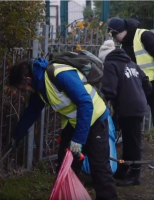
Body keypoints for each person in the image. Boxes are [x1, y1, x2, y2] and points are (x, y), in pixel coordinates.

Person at [8, 58, 118, 200]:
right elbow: (32, 112)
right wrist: (18, 135)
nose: (26, 92)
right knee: (66, 167)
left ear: (28, 80)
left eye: (23, 89)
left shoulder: (60, 74)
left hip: (96, 121)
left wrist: (78, 140)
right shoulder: (40, 87)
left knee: (100, 169)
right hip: (74, 123)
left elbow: (85, 103)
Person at [107, 17, 154, 170]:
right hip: (140, 88)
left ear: (121, 32)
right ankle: (133, 162)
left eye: (114, 35)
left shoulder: (144, 36)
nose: (115, 39)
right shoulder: (124, 44)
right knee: (134, 125)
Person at [99, 40, 152, 186]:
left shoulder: (110, 64)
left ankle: (135, 174)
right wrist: (139, 96)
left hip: (128, 107)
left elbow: (109, 90)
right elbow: (147, 84)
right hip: (137, 105)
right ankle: (124, 169)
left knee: (133, 142)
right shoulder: (131, 63)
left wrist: (100, 103)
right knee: (130, 139)